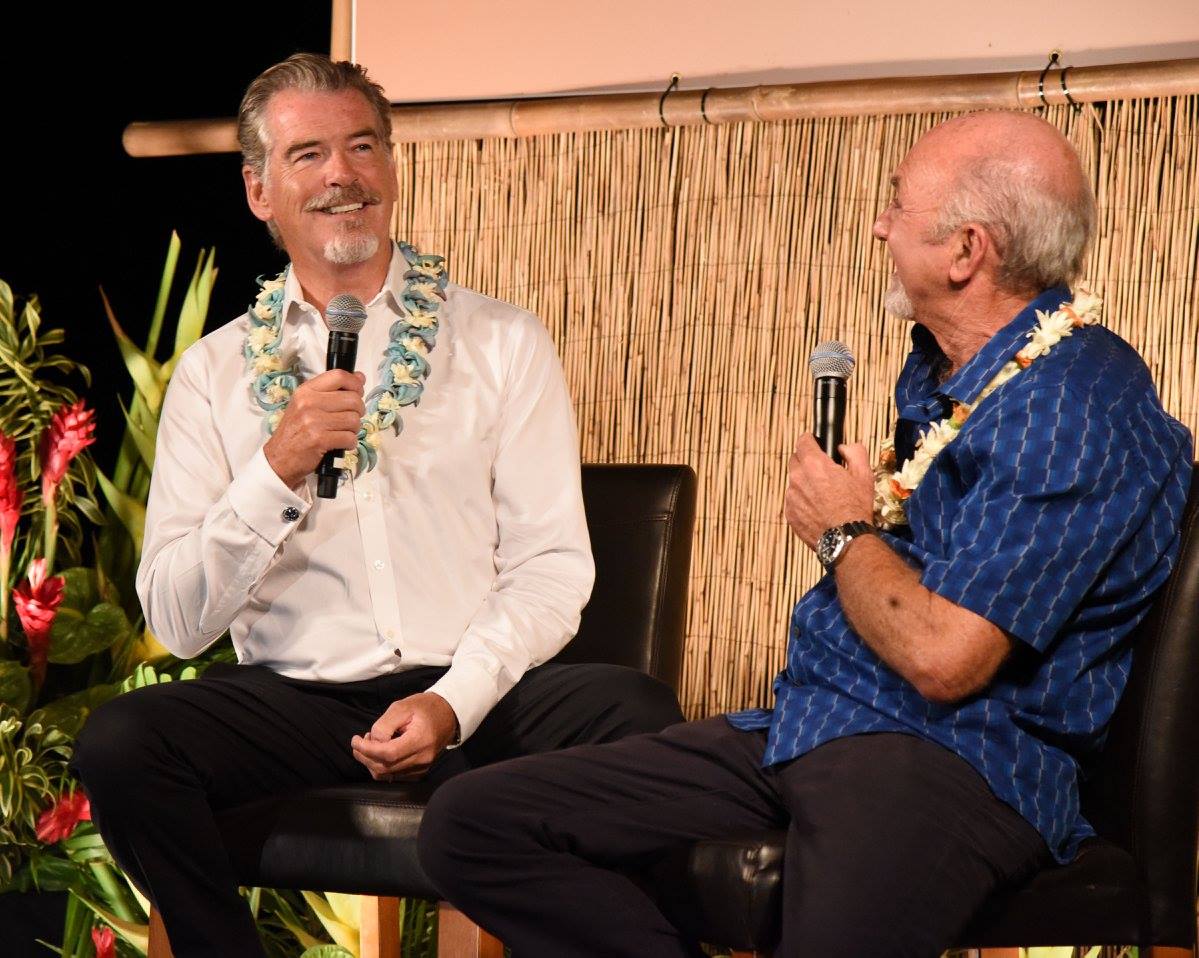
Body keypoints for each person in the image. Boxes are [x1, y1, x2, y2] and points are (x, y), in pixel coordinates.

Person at [417, 111, 1194, 957]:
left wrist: (839, 530)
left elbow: (944, 658)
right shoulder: (951, 369)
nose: (876, 224)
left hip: (948, 759)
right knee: (475, 822)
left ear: (965, 251)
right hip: (811, 722)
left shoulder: (1075, 407)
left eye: (896, 204)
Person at [70, 54, 682, 957]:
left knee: (631, 710)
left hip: (476, 693)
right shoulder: (211, 375)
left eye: (362, 147)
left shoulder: (500, 341)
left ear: (391, 170)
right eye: (308, 154)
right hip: (298, 703)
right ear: (258, 191)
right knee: (121, 743)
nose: (341, 175)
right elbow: (176, 615)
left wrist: (450, 702)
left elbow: (552, 568)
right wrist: (275, 468)